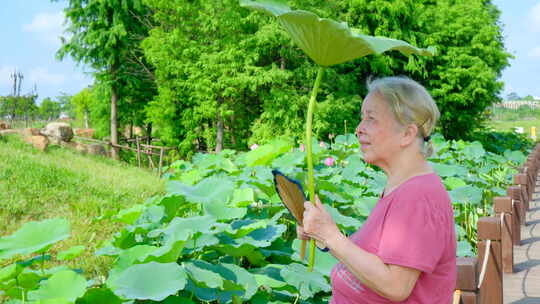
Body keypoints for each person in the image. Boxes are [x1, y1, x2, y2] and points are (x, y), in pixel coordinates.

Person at [298, 76, 457, 303]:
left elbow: (396, 286)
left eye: (371, 119)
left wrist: (331, 236)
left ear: (407, 134)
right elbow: (371, 260)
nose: (358, 129)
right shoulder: (401, 188)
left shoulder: (418, 196)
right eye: (362, 119)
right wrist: (321, 235)